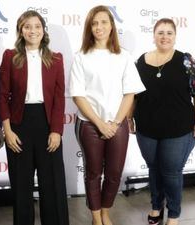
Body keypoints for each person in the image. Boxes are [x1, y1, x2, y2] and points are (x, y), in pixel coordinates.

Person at [69, 5, 145, 225]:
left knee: (113, 173)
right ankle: (96, 217)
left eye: (103, 22)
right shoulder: (82, 56)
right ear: (89, 28)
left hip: (117, 124)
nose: (99, 27)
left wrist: (115, 122)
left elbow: (130, 93)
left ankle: (105, 212)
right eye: (94, 23)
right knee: (93, 173)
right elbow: (78, 95)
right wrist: (100, 124)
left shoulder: (124, 56)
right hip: (89, 124)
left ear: (112, 26)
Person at [128, 18, 195, 225]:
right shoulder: (140, 62)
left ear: (175, 36)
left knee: (171, 172)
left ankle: (174, 215)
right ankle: (156, 206)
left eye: (169, 33)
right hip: (147, 129)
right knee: (154, 169)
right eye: (160, 32)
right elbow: (133, 95)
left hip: (179, 129)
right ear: (153, 36)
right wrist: (129, 117)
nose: (165, 36)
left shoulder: (185, 60)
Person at [0, 10, 69, 225]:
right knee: (21, 185)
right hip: (19, 123)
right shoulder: (10, 56)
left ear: (43, 30)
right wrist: (7, 130)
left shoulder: (56, 59)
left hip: (47, 123)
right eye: (27, 26)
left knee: (53, 184)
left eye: (37, 26)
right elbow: (1, 95)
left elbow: (59, 97)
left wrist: (56, 130)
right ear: (21, 30)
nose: (33, 30)